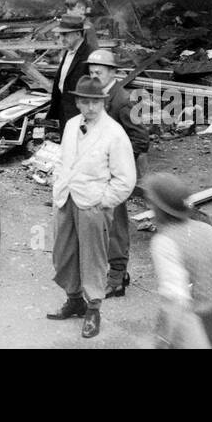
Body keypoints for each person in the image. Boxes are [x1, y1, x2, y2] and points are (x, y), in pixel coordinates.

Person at [47, 74, 136, 338]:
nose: (90, 107)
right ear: (77, 103)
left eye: (95, 102)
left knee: (93, 259)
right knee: (63, 255)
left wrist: (104, 202)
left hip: (93, 204)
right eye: (85, 102)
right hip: (67, 199)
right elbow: (63, 160)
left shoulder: (114, 133)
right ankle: (74, 300)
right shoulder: (72, 125)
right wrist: (58, 186)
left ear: (104, 103)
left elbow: (125, 179)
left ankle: (93, 309)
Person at [142, 172, 212, 349]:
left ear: (158, 208)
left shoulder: (164, 241)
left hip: (187, 321)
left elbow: (175, 297)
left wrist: (163, 338)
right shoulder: (207, 230)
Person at [86, 44, 150, 298]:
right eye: (91, 72)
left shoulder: (122, 99)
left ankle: (116, 278)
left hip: (114, 175)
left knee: (116, 225)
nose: (94, 76)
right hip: (98, 172)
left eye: (99, 72)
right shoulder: (98, 97)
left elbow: (141, 138)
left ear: (112, 72)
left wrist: (120, 166)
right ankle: (117, 273)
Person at [46, 13, 93, 132]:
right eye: (61, 34)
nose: (61, 38)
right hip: (64, 111)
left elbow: (95, 90)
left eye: (65, 34)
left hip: (80, 114)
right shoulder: (68, 51)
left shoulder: (90, 55)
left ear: (78, 33)